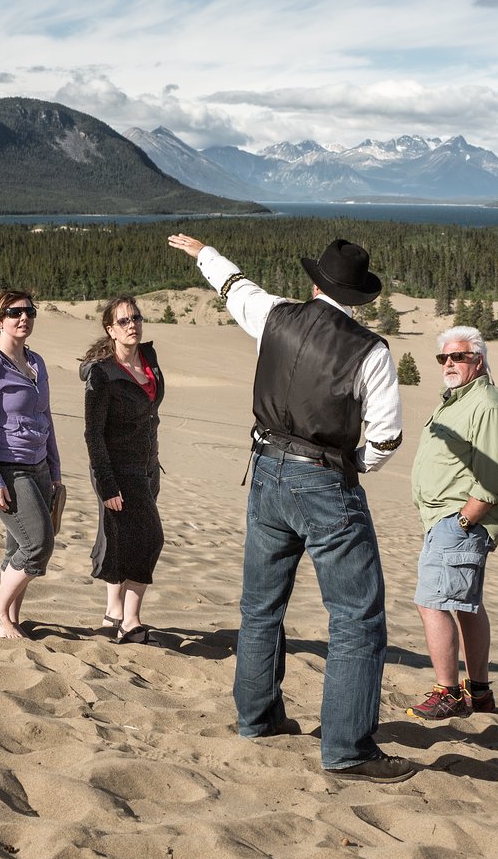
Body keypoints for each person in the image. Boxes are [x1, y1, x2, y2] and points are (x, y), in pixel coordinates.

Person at [166, 232, 412, 783]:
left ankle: (256, 717)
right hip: (325, 481)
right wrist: (357, 466)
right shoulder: (371, 350)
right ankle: (347, 748)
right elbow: (387, 437)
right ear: (357, 296)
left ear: (314, 283)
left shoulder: (275, 315)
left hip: (267, 471)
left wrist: (204, 252)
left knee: (260, 605)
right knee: (355, 617)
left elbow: (234, 286)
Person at [404, 324, 498, 721]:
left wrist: (464, 520)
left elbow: (494, 473)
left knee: (431, 603)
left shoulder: (489, 403)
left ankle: (448, 692)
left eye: (460, 356)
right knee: (466, 605)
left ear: (479, 360)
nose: (450, 363)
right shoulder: (457, 399)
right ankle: (480, 692)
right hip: (446, 519)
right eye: (444, 357)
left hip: (459, 521)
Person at [0, 289, 62, 640]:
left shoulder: (36, 363)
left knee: (17, 545)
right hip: (5, 468)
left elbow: (45, 417)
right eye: (14, 312)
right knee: (38, 544)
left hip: (38, 466)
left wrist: (55, 471)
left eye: (29, 312)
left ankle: (12, 618)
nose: (23, 318)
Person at [81, 295, 166, 645]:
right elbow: (93, 433)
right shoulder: (102, 375)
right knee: (150, 539)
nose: (132, 325)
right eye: (123, 321)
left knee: (122, 538)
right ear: (109, 329)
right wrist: (107, 484)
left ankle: (113, 614)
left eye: (136, 318)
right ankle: (131, 621)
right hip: (117, 468)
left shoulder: (148, 359)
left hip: (147, 465)